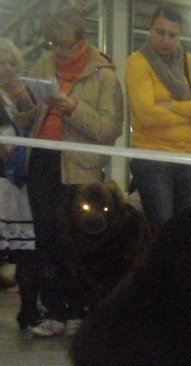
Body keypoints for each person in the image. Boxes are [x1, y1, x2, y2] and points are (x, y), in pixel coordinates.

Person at [8, 8, 124, 337]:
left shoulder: (105, 76)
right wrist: (22, 101)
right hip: (43, 160)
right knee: (46, 237)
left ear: (81, 42)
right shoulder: (44, 64)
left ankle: (80, 309)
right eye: (53, 44)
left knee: (76, 240)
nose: (58, 52)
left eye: (64, 45)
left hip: (80, 168)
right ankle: (55, 309)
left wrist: (72, 108)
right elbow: (28, 118)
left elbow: (108, 129)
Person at [126, 4, 191, 231]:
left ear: (180, 36)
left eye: (172, 35)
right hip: (150, 156)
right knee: (163, 227)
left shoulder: (189, 62)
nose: (165, 40)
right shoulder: (137, 63)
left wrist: (172, 107)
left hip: (187, 157)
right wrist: (189, 108)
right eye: (160, 32)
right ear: (150, 29)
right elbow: (146, 115)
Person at [0, 38, 40, 330]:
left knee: (28, 252)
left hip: (24, 182)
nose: (6, 69)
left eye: (11, 63)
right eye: (1, 63)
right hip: (1, 183)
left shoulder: (28, 95)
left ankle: (28, 311)